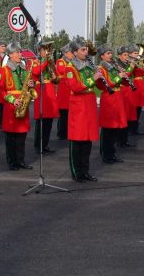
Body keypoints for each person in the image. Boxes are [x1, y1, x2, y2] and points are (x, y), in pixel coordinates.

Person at [65, 38, 101, 182]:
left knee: (87, 141)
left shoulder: (88, 66)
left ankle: (85, 171)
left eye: (86, 49)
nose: (86, 52)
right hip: (78, 105)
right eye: (83, 50)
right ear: (74, 52)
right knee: (77, 140)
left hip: (90, 104)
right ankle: (76, 172)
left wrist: (100, 78)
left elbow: (95, 86)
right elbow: (76, 87)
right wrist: (93, 78)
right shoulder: (70, 68)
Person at [0, 42, 36, 170]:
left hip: (23, 102)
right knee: (11, 137)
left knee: (22, 135)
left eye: (20, 52)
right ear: (10, 55)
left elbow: (27, 85)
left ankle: (20, 160)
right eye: (18, 52)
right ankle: (12, 162)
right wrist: (12, 100)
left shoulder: (23, 69)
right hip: (11, 105)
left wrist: (31, 84)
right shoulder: (4, 70)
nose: (20, 54)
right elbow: (0, 90)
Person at [96, 45, 126, 164]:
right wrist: (119, 77)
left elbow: (119, 82)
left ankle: (112, 153)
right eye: (108, 53)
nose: (110, 55)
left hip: (117, 97)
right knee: (108, 128)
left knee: (115, 128)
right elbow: (108, 83)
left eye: (110, 53)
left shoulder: (113, 66)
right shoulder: (101, 68)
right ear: (102, 56)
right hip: (109, 98)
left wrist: (123, 76)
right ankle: (105, 154)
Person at [33, 42, 58, 154]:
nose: (47, 52)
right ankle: (38, 145)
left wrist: (54, 77)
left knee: (49, 120)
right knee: (41, 120)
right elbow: (36, 72)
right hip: (41, 90)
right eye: (45, 50)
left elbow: (57, 79)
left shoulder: (50, 62)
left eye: (48, 50)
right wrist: (46, 61)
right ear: (40, 52)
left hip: (50, 89)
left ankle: (45, 144)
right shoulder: (35, 62)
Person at [115, 46, 137, 148]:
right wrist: (132, 66)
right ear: (119, 56)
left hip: (128, 90)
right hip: (122, 91)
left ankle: (124, 139)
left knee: (128, 116)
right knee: (122, 116)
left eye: (127, 55)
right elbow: (126, 74)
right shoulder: (117, 64)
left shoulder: (126, 63)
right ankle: (119, 140)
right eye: (125, 55)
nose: (127, 57)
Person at [127, 44, 144, 136]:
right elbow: (129, 73)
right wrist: (133, 64)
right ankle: (131, 128)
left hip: (141, 85)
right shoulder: (131, 62)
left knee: (139, 108)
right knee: (134, 108)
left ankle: (135, 128)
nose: (138, 55)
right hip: (134, 85)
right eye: (135, 53)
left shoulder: (139, 62)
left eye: (138, 53)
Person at [55, 44, 73, 140]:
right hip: (63, 90)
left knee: (69, 113)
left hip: (69, 89)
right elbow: (62, 70)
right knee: (62, 113)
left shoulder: (71, 62)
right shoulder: (60, 61)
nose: (72, 55)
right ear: (66, 53)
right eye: (70, 53)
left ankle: (67, 132)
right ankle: (61, 133)